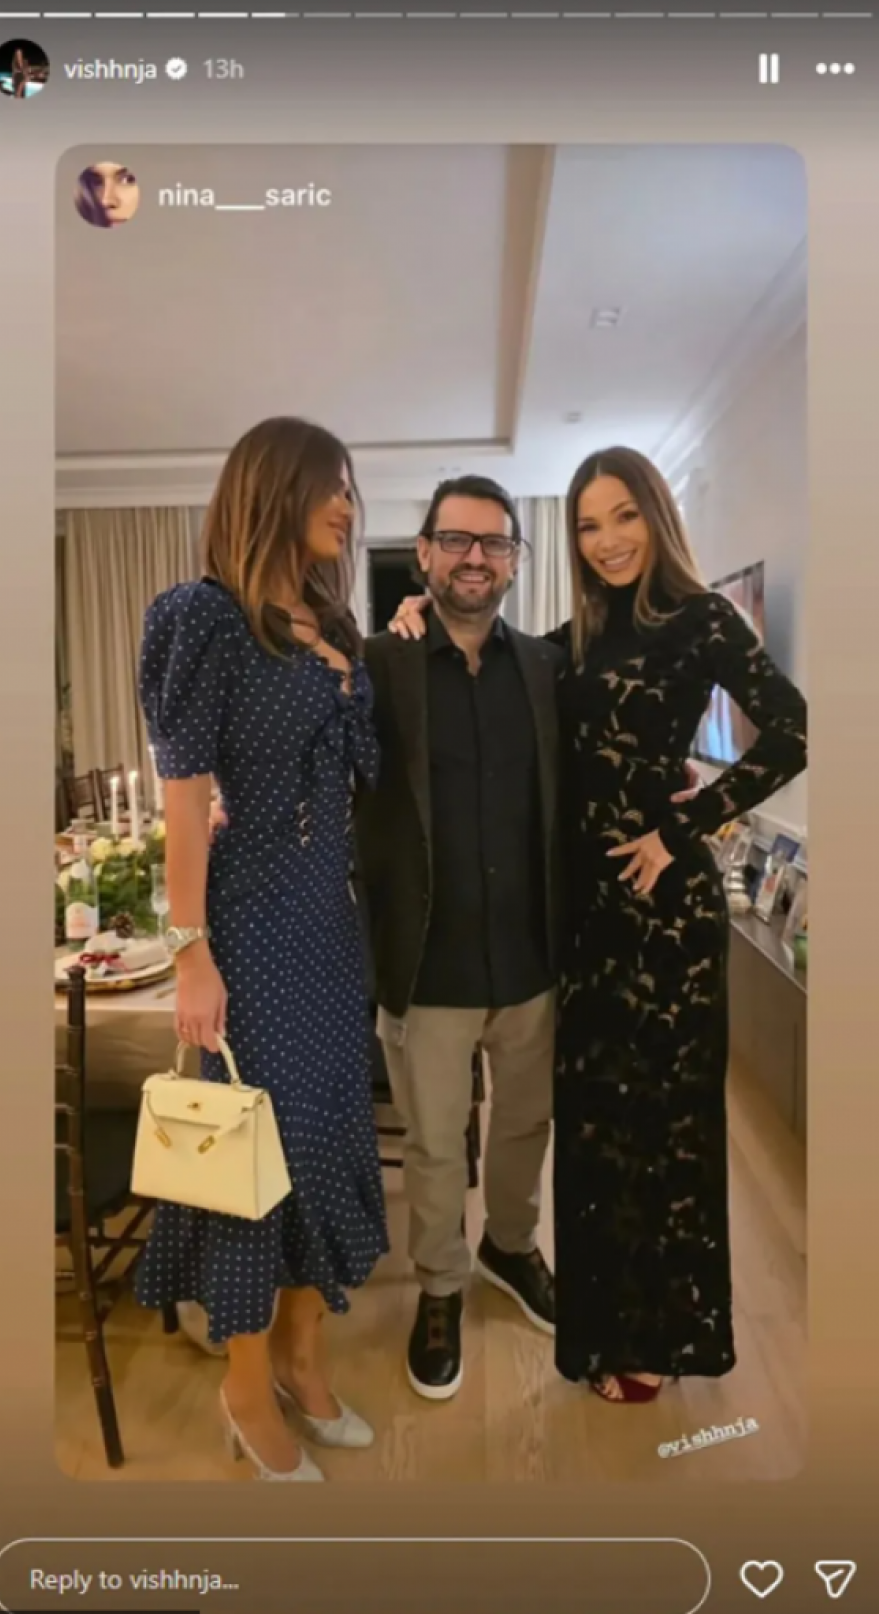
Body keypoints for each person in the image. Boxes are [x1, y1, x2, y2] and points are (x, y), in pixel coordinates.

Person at [390, 447, 807, 1407]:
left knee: (663, 1132)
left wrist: (685, 825)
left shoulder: (703, 619)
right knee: (594, 1134)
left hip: (665, 921)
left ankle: (656, 1338)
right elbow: (483, 659)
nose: (608, 540)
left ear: (657, 516)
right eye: (587, 524)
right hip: (580, 923)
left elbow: (793, 728)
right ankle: (599, 1322)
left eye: (624, 516)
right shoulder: (568, 641)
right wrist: (416, 619)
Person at [367, 474, 701, 1400]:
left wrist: (672, 783)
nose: (475, 558)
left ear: (517, 560)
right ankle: (440, 1286)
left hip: (536, 956)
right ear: (425, 553)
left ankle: (509, 1248)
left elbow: (622, 729)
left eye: (495, 543)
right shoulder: (378, 664)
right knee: (435, 1143)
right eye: (456, 540)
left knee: (526, 1123)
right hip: (425, 961)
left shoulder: (554, 668)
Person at [135, 416, 389, 1480]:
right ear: (274, 489)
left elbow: (358, 777)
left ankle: (301, 1356)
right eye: (329, 485)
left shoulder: (332, 625)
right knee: (255, 1159)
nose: (345, 504)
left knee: (326, 1143)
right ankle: (246, 1384)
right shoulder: (206, 618)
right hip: (248, 930)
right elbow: (183, 800)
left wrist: (351, 663)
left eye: (349, 489)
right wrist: (190, 952)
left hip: (329, 928)